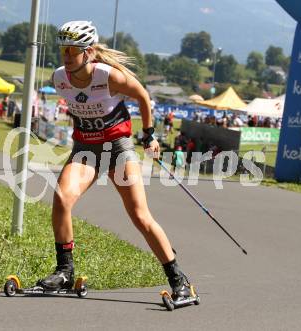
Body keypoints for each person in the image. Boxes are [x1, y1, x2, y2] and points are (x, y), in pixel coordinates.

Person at [37, 20, 194, 301]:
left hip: (118, 149)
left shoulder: (109, 76)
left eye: (73, 49)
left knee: (140, 216)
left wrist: (148, 135)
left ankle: (178, 278)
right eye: (63, 49)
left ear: (89, 52)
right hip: (85, 149)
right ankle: (64, 271)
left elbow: (143, 97)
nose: (66, 55)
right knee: (62, 198)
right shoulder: (59, 78)